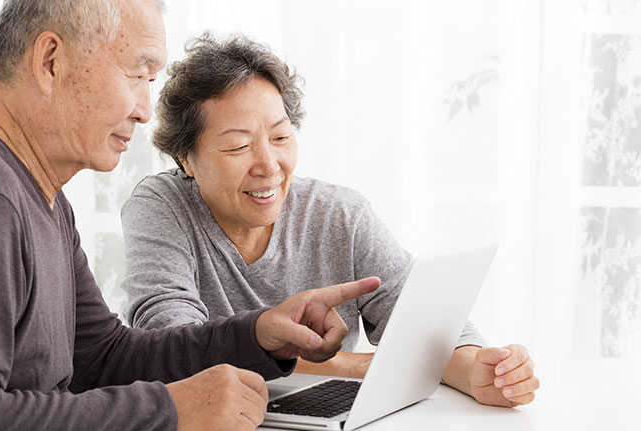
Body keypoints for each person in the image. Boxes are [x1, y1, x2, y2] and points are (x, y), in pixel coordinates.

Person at [0, 1, 384, 430]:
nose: (144, 109)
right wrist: (171, 409)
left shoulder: (39, 199)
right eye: (137, 73)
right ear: (51, 61)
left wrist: (257, 335)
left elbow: (103, 359)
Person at [121, 33, 540, 407]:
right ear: (185, 158)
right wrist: (355, 366)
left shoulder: (340, 215)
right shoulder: (162, 205)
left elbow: (424, 324)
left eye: (282, 137)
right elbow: (169, 344)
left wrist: (480, 371)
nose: (269, 165)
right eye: (238, 147)